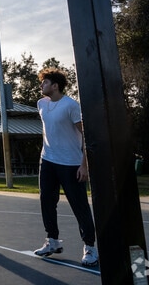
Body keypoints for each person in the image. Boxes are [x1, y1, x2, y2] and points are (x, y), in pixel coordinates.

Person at [32, 68, 98, 267]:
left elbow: (87, 135)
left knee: (80, 206)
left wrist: (84, 165)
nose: (41, 85)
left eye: (45, 82)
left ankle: (90, 248)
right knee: (46, 202)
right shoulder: (41, 104)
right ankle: (52, 241)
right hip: (48, 160)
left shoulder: (71, 106)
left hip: (70, 163)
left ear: (55, 86)